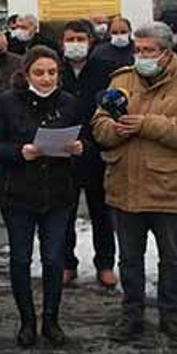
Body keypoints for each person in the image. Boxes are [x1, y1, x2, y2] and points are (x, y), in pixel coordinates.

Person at [92, 22, 177, 343]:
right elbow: (99, 124)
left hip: (169, 187)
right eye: (138, 50)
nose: (141, 56)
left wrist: (147, 125)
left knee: (171, 259)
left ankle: (171, 315)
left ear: (166, 52)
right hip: (125, 185)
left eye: (148, 51)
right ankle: (131, 315)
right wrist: (113, 131)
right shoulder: (121, 80)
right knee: (129, 259)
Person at [0, 46, 83, 347]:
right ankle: (27, 320)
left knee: (54, 259)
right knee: (20, 258)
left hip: (57, 192)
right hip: (18, 192)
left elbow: (86, 138)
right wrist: (19, 152)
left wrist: (80, 148)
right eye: (39, 73)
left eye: (52, 72)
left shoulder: (68, 102)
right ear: (26, 73)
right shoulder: (6, 102)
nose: (46, 78)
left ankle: (51, 319)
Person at [58, 20, 120, 287]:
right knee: (63, 213)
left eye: (80, 38)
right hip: (61, 151)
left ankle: (105, 264)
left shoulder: (106, 70)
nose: (74, 44)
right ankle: (66, 263)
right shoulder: (55, 70)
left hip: (97, 151)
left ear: (91, 41)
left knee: (102, 214)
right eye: (69, 39)